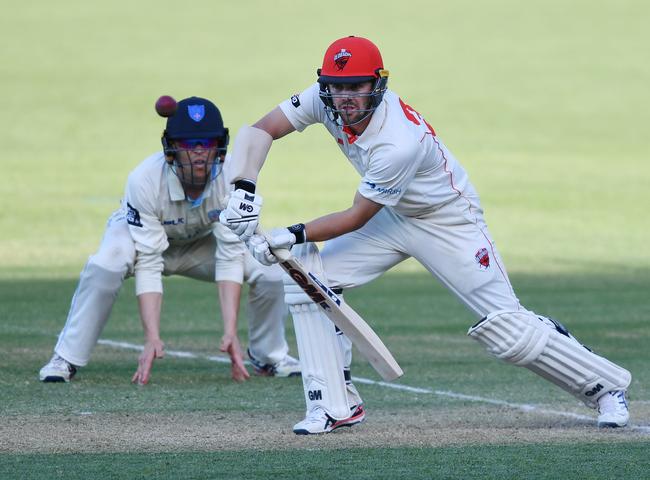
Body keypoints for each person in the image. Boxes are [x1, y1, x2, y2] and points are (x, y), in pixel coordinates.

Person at [219, 36, 631, 434]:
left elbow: (357, 215)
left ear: (377, 85)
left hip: (446, 220)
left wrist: (290, 233)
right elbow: (261, 130)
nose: (344, 97)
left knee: (510, 331)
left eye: (355, 87)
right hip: (393, 216)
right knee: (308, 280)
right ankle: (332, 406)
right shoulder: (323, 97)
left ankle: (606, 387)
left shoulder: (399, 142)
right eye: (336, 86)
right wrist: (243, 188)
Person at [39, 96, 300, 385]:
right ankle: (66, 357)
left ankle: (268, 355)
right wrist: (152, 337)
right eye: (190, 144)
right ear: (172, 149)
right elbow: (149, 260)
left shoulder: (232, 177)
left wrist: (230, 332)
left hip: (199, 244)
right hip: (139, 241)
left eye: (207, 143)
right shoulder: (144, 179)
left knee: (270, 266)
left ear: (220, 147)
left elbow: (230, 254)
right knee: (107, 262)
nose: (199, 153)